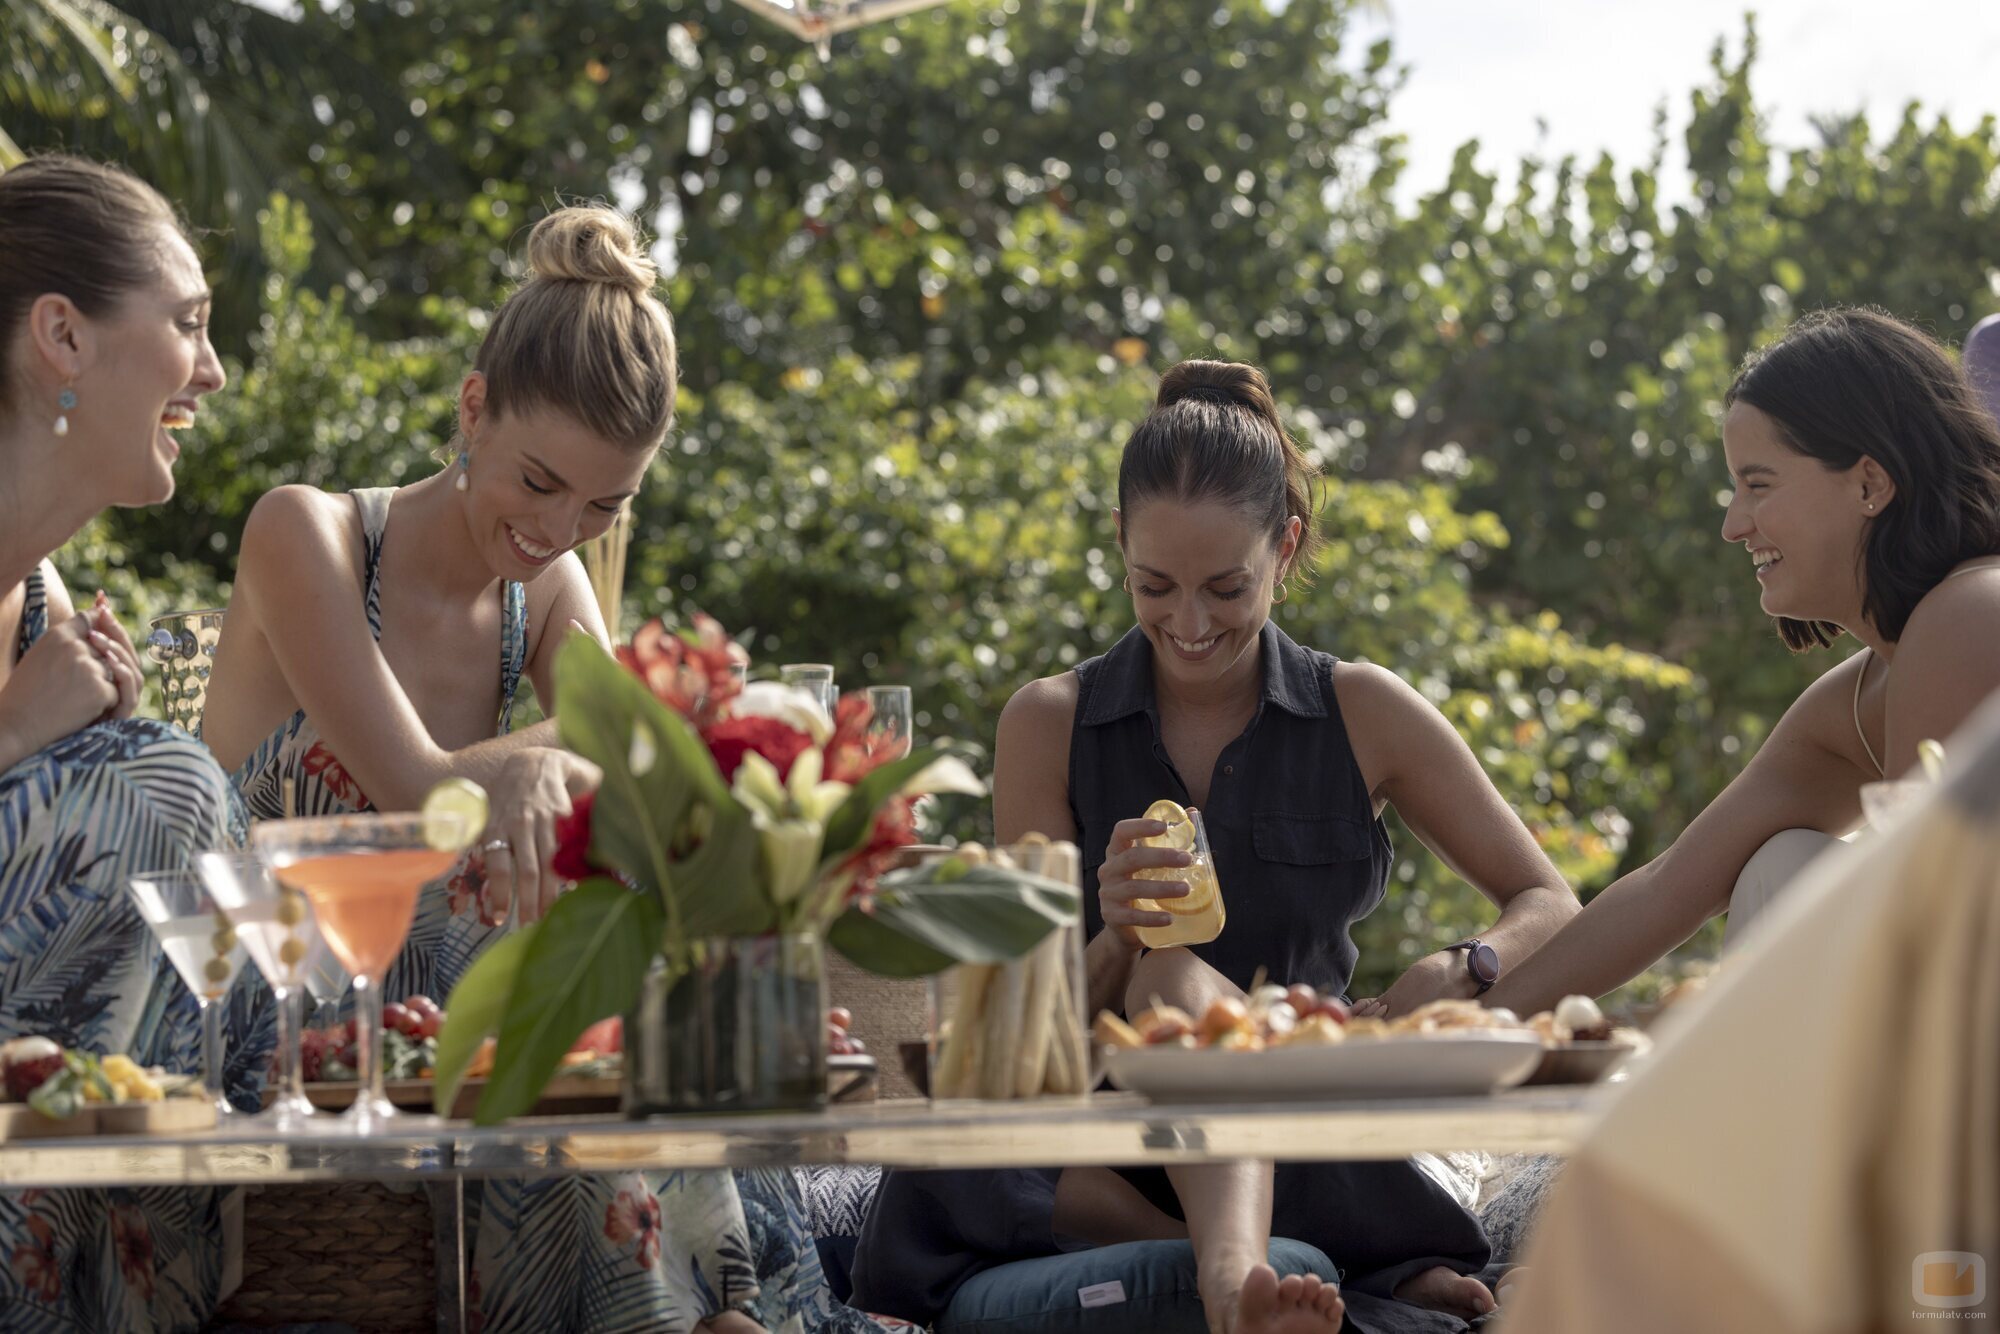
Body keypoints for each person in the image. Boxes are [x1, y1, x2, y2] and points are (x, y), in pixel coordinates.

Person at [200, 204, 877, 1334]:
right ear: (472, 407)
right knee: (541, 923)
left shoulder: (548, 592)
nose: (562, 528)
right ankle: (700, 1312)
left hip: (452, 1012)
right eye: (539, 480)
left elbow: (647, 767)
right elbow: (418, 796)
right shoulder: (305, 534)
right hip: (278, 992)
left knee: (632, 932)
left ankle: (729, 1303)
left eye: (605, 504)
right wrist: (535, 761)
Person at [852, 360, 1582, 1334]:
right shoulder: (1047, 722)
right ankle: (1264, 1269)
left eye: (1225, 587)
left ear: (1282, 547)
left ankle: (1240, 1265)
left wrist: (1462, 965)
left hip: (1294, 1123)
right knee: (1117, 1007)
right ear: (1118, 543)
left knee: (1186, 1006)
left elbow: (1549, 901)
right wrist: (1111, 933)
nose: (1188, 624)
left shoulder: (1360, 709)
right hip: (1091, 1131)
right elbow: (1025, 1026)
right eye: (1154, 585)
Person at [1483, 306, 2000, 1019]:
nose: (1733, 523)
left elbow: (1937, 940)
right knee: (1779, 864)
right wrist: (1475, 1029)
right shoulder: (1858, 696)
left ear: (1868, 484)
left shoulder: (1972, 615)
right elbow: (1670, 889)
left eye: (1758, 485)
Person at [0, 154, 252, 1326]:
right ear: (64, 334)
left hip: (94, 1114)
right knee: (163, 777)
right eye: (190, 324)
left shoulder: (45, 603)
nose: (210, 369)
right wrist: (20, 730)